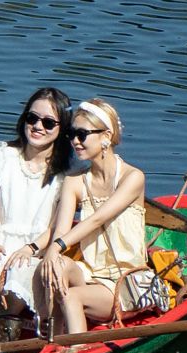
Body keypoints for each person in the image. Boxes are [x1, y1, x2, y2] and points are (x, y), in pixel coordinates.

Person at [0, 87, 74, 315]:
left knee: (15, 293)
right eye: (33, 118)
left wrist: (30, 249)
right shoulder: (0, 156)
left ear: (61, 129)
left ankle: (3, 336)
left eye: (49, 123)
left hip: (34, 249)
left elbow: (55, 229)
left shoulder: (66, 175)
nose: (38, 126)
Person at [38, 98, 148, 334]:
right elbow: (62, 232)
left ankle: (75, 350)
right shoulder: (74, 182)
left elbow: (97, 219)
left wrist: (56, 246)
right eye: (71, 134)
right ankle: (52, 337)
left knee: (72, 296)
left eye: (82, 134)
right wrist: (52, 256)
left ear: (106, 136)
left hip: (123, 279)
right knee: (56, 266)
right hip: (89, 272)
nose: (75, 141)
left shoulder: (133, 178)